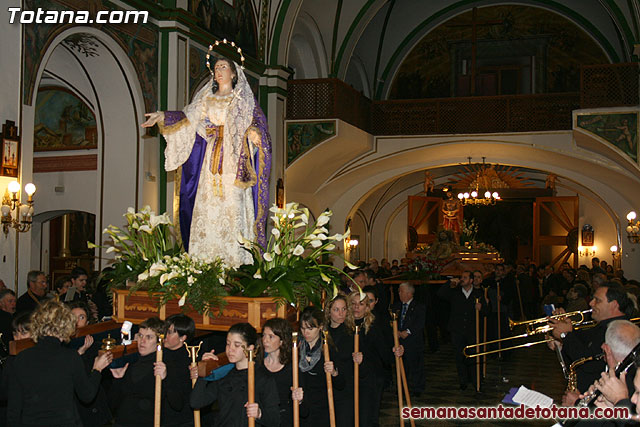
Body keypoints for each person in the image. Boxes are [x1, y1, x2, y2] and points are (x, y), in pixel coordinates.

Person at [141, 56, 271, 268]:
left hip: (234, 162)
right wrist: (163, 116)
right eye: (216, 67)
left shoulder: (243, 101)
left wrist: (254, 133)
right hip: (210, 161)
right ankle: (204, 264)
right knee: (207, 205)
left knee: (233, 206)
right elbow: (186, 117)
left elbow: (257, 124)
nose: (219, 71)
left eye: (223, 67)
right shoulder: (206, 100)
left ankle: (236, 265)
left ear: (233, 73)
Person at [7, 300, 113, 426]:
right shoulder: (70, 357)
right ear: (66, 326)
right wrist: (97, 369)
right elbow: (87, 395)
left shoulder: (21, 358)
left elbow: (14, 407)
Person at [550, 283, 636, 395]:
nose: (591, 303)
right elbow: (576, 356)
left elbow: (589, 364)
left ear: (614, 305)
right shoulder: (600, 327)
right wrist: (561, 343)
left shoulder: (621, 330)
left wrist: (565, 335)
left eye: (597, 300)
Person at [191, 322, 280, 426]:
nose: (230, 349)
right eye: (228, 344)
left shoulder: (263, 378)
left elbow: (275, 421)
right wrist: (204, 371)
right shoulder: (224, 375)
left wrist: (259, 413)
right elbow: (196, 402)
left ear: (250, 348)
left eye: (237, 345)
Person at [350, 291, 403, 425]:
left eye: (361, 304)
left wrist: (396, 351)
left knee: (368, 418)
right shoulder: (345, 327)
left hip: (371, 378)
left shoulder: (373, 326)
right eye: (353, 303)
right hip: (350, 378)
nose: (356, 307)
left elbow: (385, 354)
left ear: (367, 307)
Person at [110, 317, 172, 426]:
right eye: (140, 335)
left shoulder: (164, 365)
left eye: (149, 337)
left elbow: (174, 403)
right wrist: (118, 380)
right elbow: (113, 403)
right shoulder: (130, 362)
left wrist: (165, 379)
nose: (142, 341)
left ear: (159, 341)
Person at [292, 307, 344, 427]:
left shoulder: (328, 350)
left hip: (322, 409)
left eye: (310, 328)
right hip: (301, 408)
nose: (306, 333)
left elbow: (341, 384)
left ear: (320, 327)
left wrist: (334, 372)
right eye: (303, 328)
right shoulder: (296, 350)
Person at [437, 271, 488, 390]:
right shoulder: (455, 293)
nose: (462, 279)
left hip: (472, 330)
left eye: (465, 277)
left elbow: (486, 312)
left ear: (471, 280)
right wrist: (449, 282)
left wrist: (481, 308)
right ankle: (463, 381)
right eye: (461, 277)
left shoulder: (478, 294)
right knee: (459, 356)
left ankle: (476, 380)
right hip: (457, 329)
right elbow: (440, 294)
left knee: (474, 355)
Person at [257, 318, 294, 427]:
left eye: (271, 336)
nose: (265, 340)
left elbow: (304, 410)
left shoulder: (291, 368)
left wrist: (299, 400)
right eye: (264, 335)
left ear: (282, 341)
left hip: (284, 420)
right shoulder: (257, 365)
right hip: (261, 419)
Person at [324, 295, 355, 427]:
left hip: (345, 387)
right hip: (325, 386)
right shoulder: (323, 332)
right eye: (336, 309)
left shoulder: (351, 332)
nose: (341, 313)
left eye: (343, 309)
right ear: (329, 311)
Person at [392, 282, 426, 396]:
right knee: (402, 366)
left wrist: (407, 332)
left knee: (416, 366)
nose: (399, 293)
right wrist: (395, 330)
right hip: (399, 341)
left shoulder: (419, 306)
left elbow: (420, 323)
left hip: (413, 340)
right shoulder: (396, 306)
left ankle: (418, 388)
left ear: (408, 293)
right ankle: (400, 387)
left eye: (401, 291)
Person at [163, 314, 197, 426]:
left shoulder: (188, 360)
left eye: (170, 332)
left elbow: (179, 400)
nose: (165, 336)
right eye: (165, 331)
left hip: (180, 420)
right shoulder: (160, 353)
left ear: (183, 338)